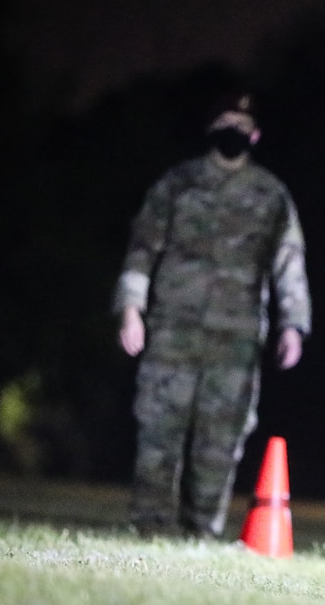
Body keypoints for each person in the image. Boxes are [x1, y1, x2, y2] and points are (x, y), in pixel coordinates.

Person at [113, 92, 312, 539]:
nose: (234, 132)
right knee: (158, 434)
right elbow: (142, 249)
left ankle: (201, 531)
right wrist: (131, 310)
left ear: (255, 135)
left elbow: (289, 262)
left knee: (220, 442)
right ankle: (150, 528)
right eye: (225, 122)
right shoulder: (177, 184)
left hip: (236, 339)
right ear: (210, 129)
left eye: (242, 125)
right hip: (171, 332)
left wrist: (293, 325)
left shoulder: (270, 194)